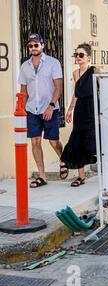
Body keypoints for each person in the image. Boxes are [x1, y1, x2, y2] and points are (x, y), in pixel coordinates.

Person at [19, 33, 64, 188]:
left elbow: (58, 88)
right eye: (30, 45)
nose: (33, 48)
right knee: (35, 141)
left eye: (36, 45)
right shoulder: (25, 66)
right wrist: (21, 109)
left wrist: (51, 106)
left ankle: (62, 158)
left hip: (49, 107)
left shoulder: (53, 63)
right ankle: (42, 176)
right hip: (32, 109)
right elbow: (23, 90)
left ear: (42, 45)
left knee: (53, 141)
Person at [60, 43, 97, 187]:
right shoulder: (75, 73)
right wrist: (70, 109)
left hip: (91, 108)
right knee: (78, 140)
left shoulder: (95, 71)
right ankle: (81, 176)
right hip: (80, 110)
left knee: (93, 140)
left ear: (88, 57)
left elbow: (103, 90)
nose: (78, 57)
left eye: (81, 55)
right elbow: (76, 93)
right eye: (76, 54)